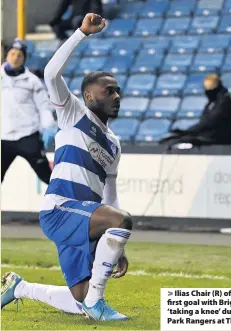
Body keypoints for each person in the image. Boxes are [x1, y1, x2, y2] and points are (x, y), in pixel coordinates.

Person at [1, 14, 132, 321]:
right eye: (108, 90)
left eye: (117, 91)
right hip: (60, 210)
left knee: (78, 299)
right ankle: (97, 304)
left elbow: (109, 198)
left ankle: (20, 287)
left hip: (84, 218)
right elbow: (50, 73)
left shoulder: (113, 143)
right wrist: (80, 34)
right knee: (120, 224)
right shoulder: (73, 112)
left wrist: (119, 244)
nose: (116, 96)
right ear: (88, 96)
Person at [1, 39, 56, 184]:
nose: (15, 58)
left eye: (20, 55)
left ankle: (69, 205)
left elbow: (44, 106)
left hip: (28, 136)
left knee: (48, 177)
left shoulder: (33, 81)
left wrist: (49, 126)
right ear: (6, 56)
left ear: (24, 58)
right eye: (12, 54)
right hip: (3, 138)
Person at [160, 74, 231, 149]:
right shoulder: (212, 103)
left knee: (181, 141)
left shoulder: (224, 103)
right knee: (170, 139)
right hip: (206, 135)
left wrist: (187, 132)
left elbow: (210, 123)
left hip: (218, 138)